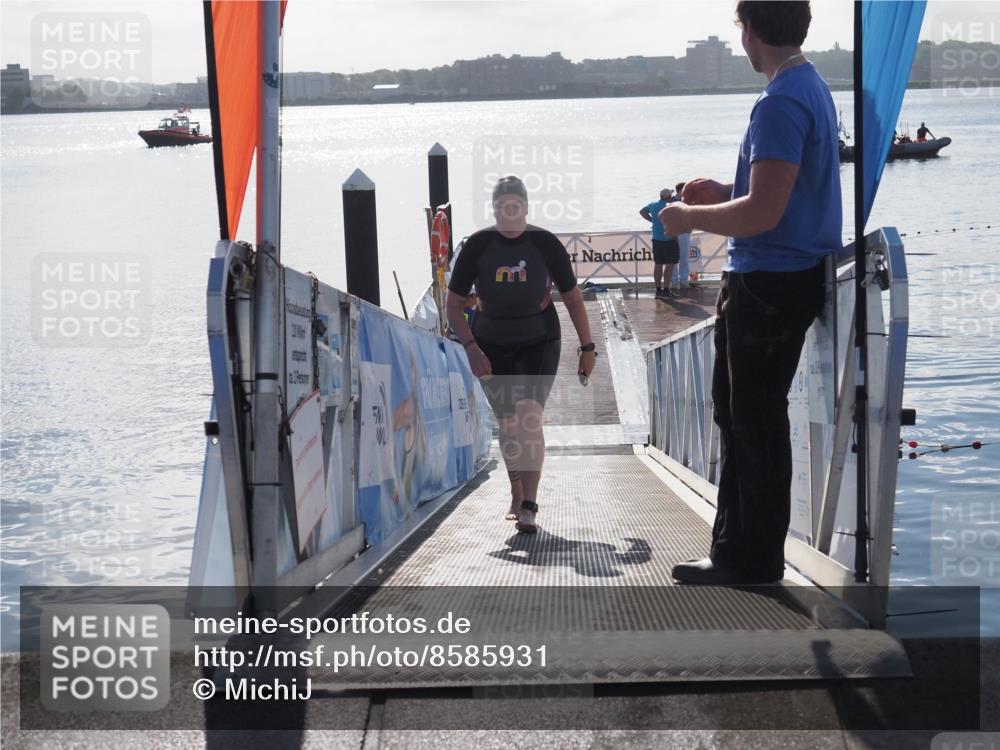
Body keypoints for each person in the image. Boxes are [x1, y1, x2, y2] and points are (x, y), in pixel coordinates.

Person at [660, 0, 840, 585]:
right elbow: (782, 189)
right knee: (746, 417)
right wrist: (722, 190)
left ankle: (750, 558)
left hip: (768, 282)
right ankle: (744, 549)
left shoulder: (780, 101)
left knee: (751, 422)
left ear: (751, 31)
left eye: (739, 28)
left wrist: (689, 216)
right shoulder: (809, 86)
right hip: (787, 277)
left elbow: (764, 213)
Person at [446, 176, 598, 533]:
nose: (509, 213)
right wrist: (470, 347)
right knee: (509, 426)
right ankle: (515, 490)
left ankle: (530, 503)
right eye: (502, 207)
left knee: (529, 418)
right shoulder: (478, 246)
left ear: (526, 208)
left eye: (515, 206)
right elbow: (453, 306)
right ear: (494, 209)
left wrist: (588, 347)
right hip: (490, 344)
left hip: (539, 339)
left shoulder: (544, 243)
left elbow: (573, 297)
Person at [639, 189, 681, 298]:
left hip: (656, 239)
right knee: (670, 265)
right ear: (669, 196)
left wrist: (652, 220)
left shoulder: (653, 205)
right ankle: (666, 289)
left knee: (658, 264)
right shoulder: (671, 206)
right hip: (670, 239)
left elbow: (642, 211)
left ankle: (658, 289)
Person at [671, 181, 691, 291]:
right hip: (673, 232)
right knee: (674, 258)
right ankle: (674, 282)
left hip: (684, 232)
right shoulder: (671, 201)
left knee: (684, 258)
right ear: (680, 191)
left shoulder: (687, 201)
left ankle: (684, 281)